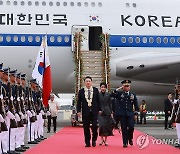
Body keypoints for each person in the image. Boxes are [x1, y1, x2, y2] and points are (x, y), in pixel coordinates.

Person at [111, 80, 139, 148]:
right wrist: (118, 89)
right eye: (125, 86)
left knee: (131, 127)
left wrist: (136, 113)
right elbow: (112, 94)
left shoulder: (133, 94)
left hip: (130, 113)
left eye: (128, 86)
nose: (126, 87)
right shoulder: (120, 94)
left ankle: (130, 138)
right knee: (124, 128)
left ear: (130, 87)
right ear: (123, 87)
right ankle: (125, 142)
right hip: (122, 114)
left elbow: (136, 104)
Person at [77, 76, 102, 147]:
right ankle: (87, 142)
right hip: (85, 112)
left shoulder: (95, 90)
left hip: (94, 111)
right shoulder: (81, 91)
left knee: (94, 126)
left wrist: (100, 109)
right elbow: (79, 102)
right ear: (84, 82)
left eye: (89, 81)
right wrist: (78, 111)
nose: (88, 82)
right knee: (86, 127)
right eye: (87, 81)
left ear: (91, 82)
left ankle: (94, 139)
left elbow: (98, 101)